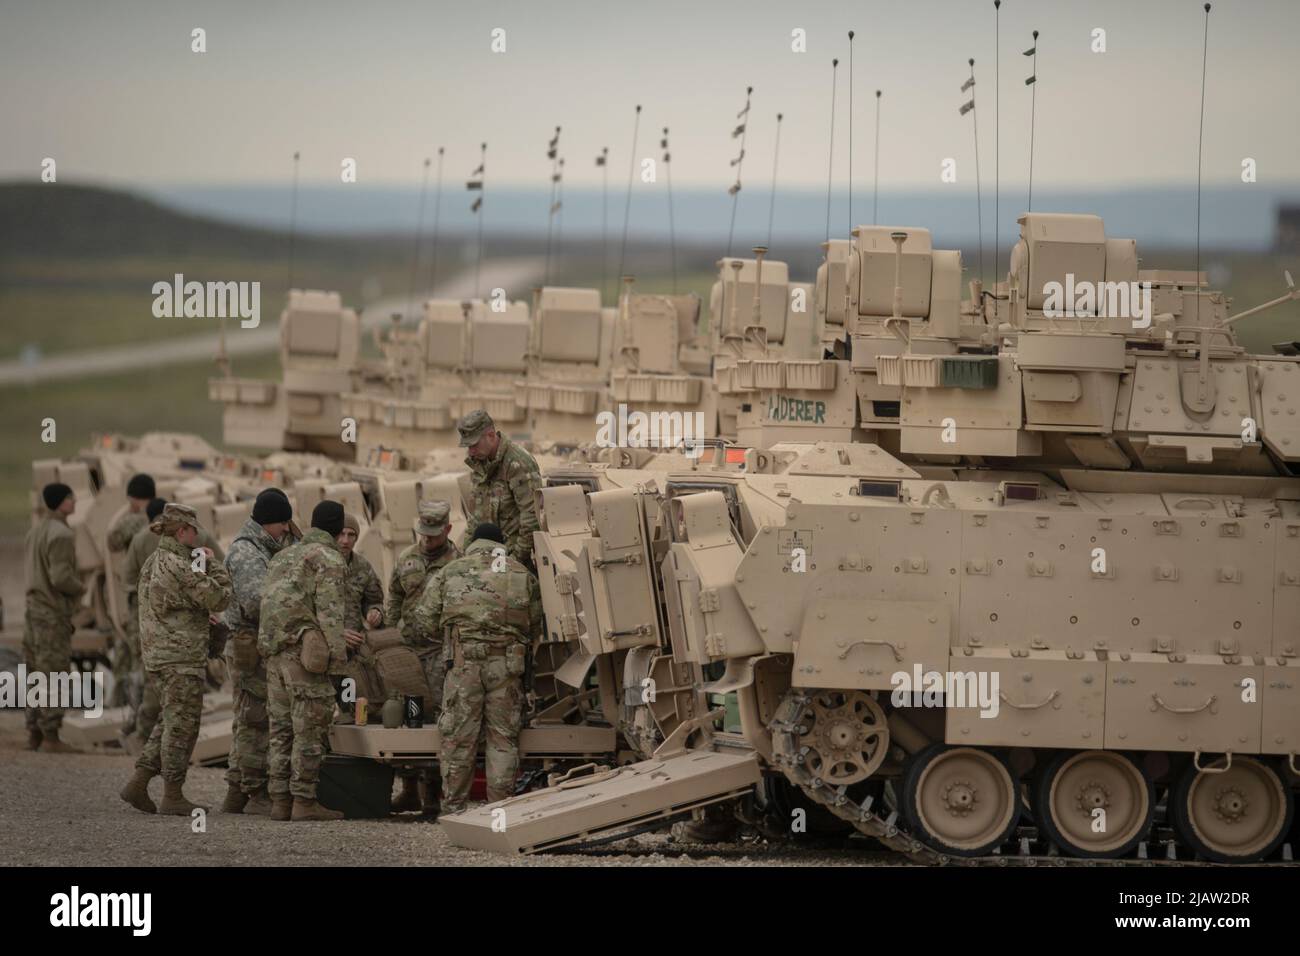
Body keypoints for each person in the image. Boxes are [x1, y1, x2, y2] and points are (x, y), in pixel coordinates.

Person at [416, 522, 542, 816]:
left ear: (473, 542)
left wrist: (452, 635)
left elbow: (424, 619)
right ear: (501, 544)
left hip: (464, 666)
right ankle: (499, 812)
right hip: (507, 666)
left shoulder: (452, 570)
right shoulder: (522, 574)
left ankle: (453, 812)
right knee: (503, 740)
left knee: (458, 738)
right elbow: (535, 622)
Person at [119, 504, 232, 814]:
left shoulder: (155, 561)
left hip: (161, 656)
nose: (199, 536)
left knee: (168, 722)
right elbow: (221, 597)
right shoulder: (182, 566)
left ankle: (139, 782)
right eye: (195, 530)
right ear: (182, 531)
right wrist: (213, 565)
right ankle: (173, 795)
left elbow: (173, 604)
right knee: (183, 727)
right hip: (180, 658)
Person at [259, 500, 349, 822]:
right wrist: (338, 668)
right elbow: (331, 615)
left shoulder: (281, 556)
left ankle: (280, 801)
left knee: (281, 730)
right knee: (309, 729)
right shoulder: (329, 559)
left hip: (274, 655)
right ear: (338, 531)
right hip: (304, 656)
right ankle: (304, 801)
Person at [122, 497, 223, 748]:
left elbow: (129, 579)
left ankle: (142, 737)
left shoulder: (143, 546)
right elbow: (218, 589)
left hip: (153, 627)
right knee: (180, 712)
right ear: (184, 529)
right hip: (186, 638)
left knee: (153, 688)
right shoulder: (199, 543)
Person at [218, 488, 293, 814]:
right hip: (250, 643)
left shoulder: (259, 547)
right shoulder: (248, 554)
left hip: (251, 643)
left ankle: (236, 791)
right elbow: (256, 602)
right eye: (282, 525)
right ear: (269, 524)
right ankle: (255, 791)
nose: (286, 531)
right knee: (255, 719)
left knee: (248, 717)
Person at [385, 499, 460, 814]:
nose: (427, 540)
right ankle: (408, 790)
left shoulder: (458, 562)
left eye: (433, 534)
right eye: (423, 533)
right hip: (409, 651)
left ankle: (432, 795)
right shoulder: (407, 557)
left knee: (437, 719)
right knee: (407, 718)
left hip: (439, 653)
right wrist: (390, 633)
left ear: (448, 529)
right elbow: (395, 596)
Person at [23, 483, 86, 753]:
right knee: (55, 672)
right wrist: (81, 588)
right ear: (61, 503)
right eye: (70, 499)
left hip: (33, 610)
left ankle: (34, 731)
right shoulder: (61, 534)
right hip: (52, 612)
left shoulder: (35, 531)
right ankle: (51, 736)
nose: (74, 502)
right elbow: (61, 578)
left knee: (35, 670)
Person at [457, 410, 542, 568]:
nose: (471, 452)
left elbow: (531, 516)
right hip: (485, 558)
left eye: (474, 445)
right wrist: (465, 558)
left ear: (490, 435)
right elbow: (475, 518)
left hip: (514, 559)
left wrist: (516, 559)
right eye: (468, 446)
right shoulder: (480, 463)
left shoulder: (518, 463)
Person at [106, 473, 156, 706]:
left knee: (132, 651)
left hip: (137, 597)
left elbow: (112, 541)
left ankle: (127, 708)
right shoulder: (164, 516)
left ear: (133, 499)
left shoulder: (133, 522)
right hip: (162, 597)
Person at [332, 512, 384, 720]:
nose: (345, 540)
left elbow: (375, 599)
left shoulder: (363, 567)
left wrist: (375, 612)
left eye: (351, 535)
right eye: (341, 534)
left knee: (353, 708)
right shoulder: (320, 564)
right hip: (324, 650)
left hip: (353, 653)